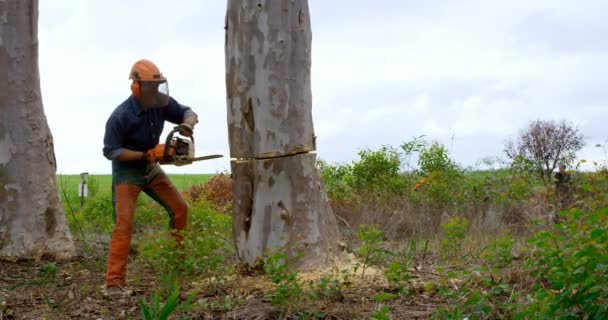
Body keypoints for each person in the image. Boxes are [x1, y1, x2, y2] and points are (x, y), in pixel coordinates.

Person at [102, 59, 198, 292]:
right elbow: (111, 151)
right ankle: (114, 283)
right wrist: (144, 155)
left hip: (151, 168)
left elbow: (188, 112)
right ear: (136, 85)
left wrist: (187, 125)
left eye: (156, 86)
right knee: (124, 225)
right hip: (127, 171)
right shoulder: (120, 116)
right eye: (148, 87)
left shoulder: (159, 102)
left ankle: (176, 270)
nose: (154, 92)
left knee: (180, 209)